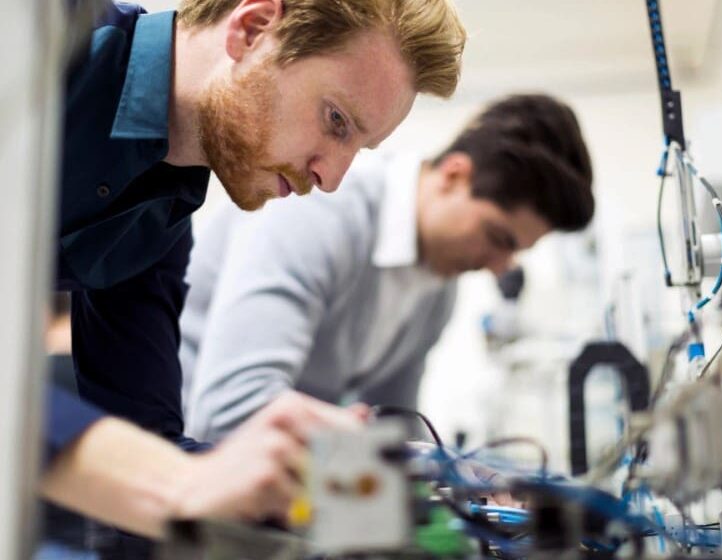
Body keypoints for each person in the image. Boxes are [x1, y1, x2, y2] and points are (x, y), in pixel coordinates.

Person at [41, 0, 466, 542]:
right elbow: (161, 477)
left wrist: (340, 483)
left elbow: (145, 440)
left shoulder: (160, 216)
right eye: (336, 120)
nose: (331, 178)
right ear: (254, 27)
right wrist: (169, 482)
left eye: (360, 148)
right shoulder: (45, 43)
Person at [180, 94, 594, 443]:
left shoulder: (436, 287)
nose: (499, 267)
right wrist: (404, 460)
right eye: (499, 238)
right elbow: (229, 411)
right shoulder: (319, 209)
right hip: (167, 472)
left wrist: (457, 475)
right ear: (454, 175)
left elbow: (396, 424)